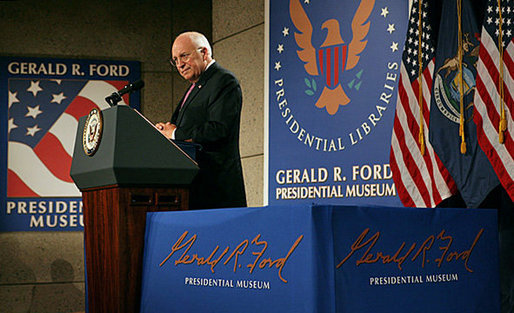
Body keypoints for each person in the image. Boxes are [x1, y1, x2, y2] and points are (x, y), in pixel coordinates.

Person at [156, 31, 247, 210]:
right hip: (194, 187)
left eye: (184, 56)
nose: (179, 64)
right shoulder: (198, 85)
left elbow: (218, 129)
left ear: (204, 53)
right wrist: (166, 132)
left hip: (215, 191)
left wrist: (175, 133)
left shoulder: (223, 81)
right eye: (175, 60)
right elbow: (186, 127)